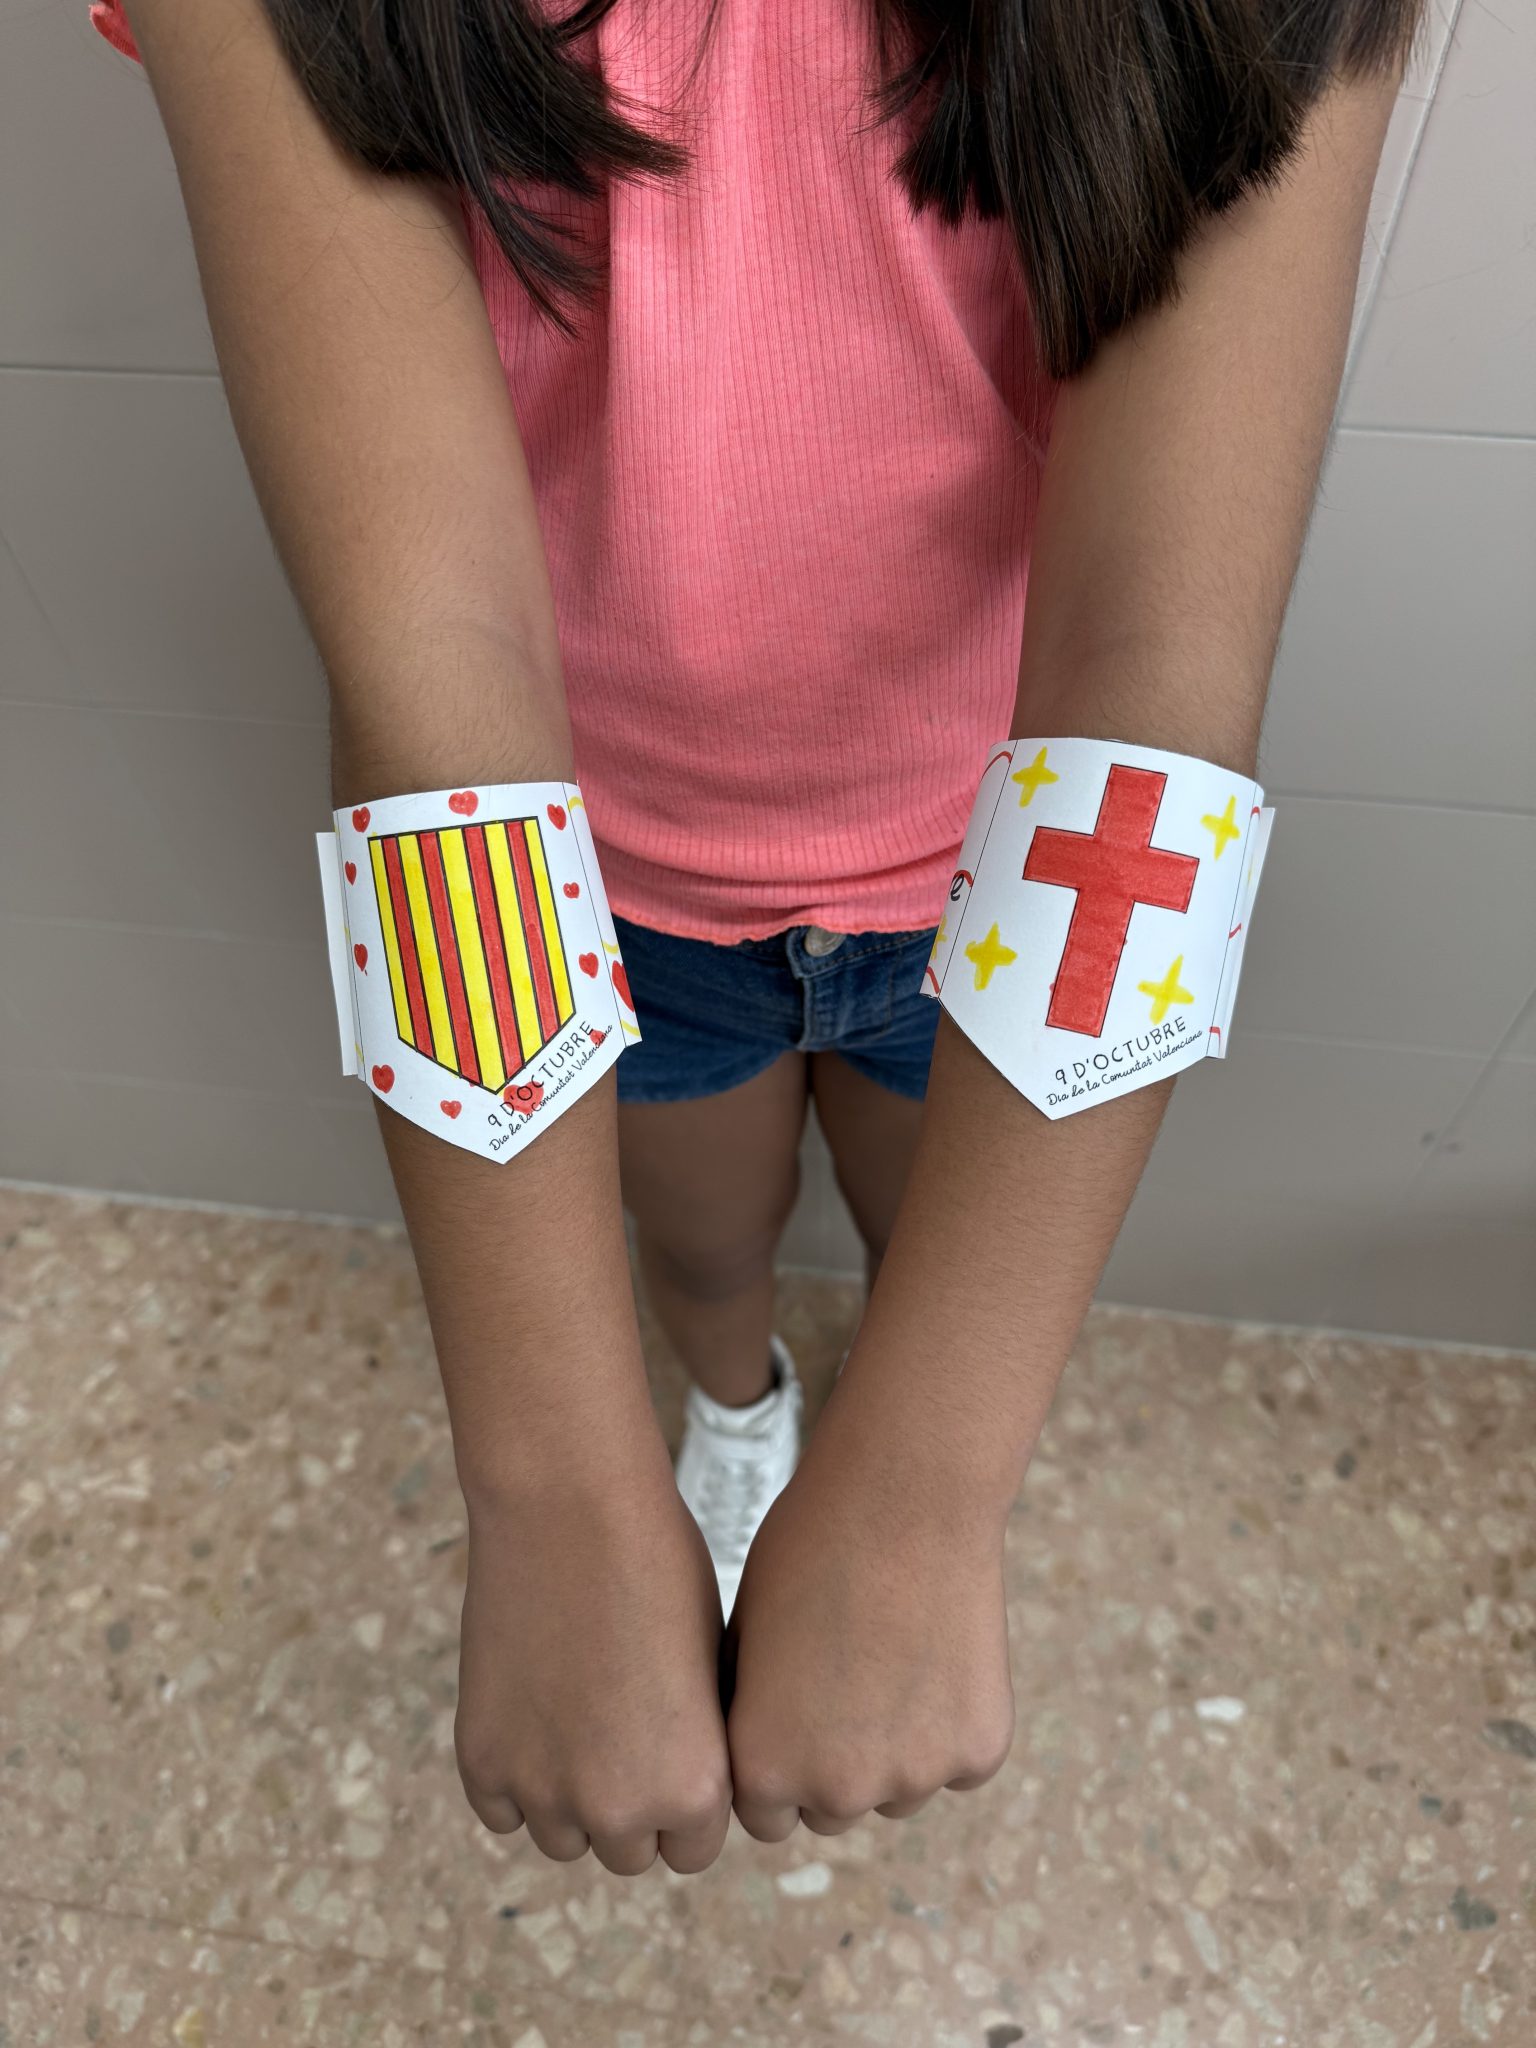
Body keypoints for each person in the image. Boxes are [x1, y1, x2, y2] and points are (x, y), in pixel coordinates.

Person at [93, 0, 1421, 1876]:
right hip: (604, 875)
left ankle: (856, 1428)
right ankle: (741, 1411)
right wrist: (554, 1494)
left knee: (917, 1237)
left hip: (996, 884)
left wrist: (931, 1489)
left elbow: (1156, 671)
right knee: (705, 1242)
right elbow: (428, 656)